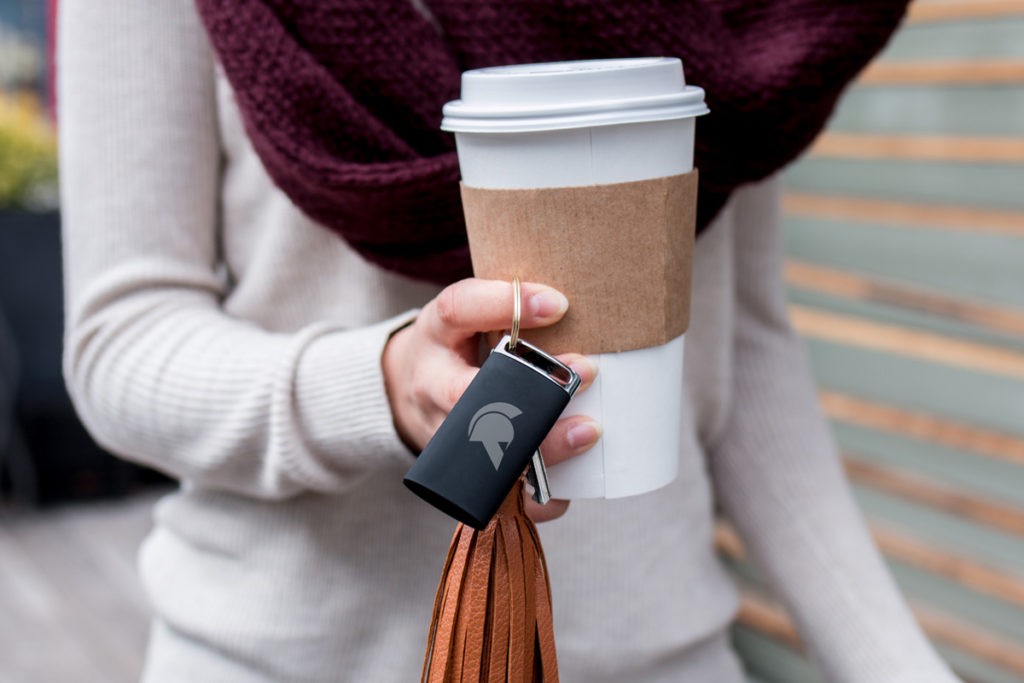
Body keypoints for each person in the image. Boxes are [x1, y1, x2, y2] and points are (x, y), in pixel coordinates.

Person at [59, 1, 962, 681]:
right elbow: (122, 340)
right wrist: (381, 387)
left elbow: (743, 352)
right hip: (285, 658)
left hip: (663, 654)